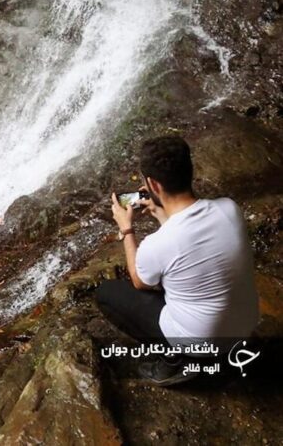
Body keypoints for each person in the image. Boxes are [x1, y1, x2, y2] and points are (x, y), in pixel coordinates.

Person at [96, 136, 259, 386]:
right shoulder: (229, 209)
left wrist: (127, 230)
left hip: (202, 344)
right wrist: (163, 214)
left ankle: (178, 361)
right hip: (244, 329)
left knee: (107, 293)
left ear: (153, 184)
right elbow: (191, 243)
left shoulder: (158, 244)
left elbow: (140, 281)